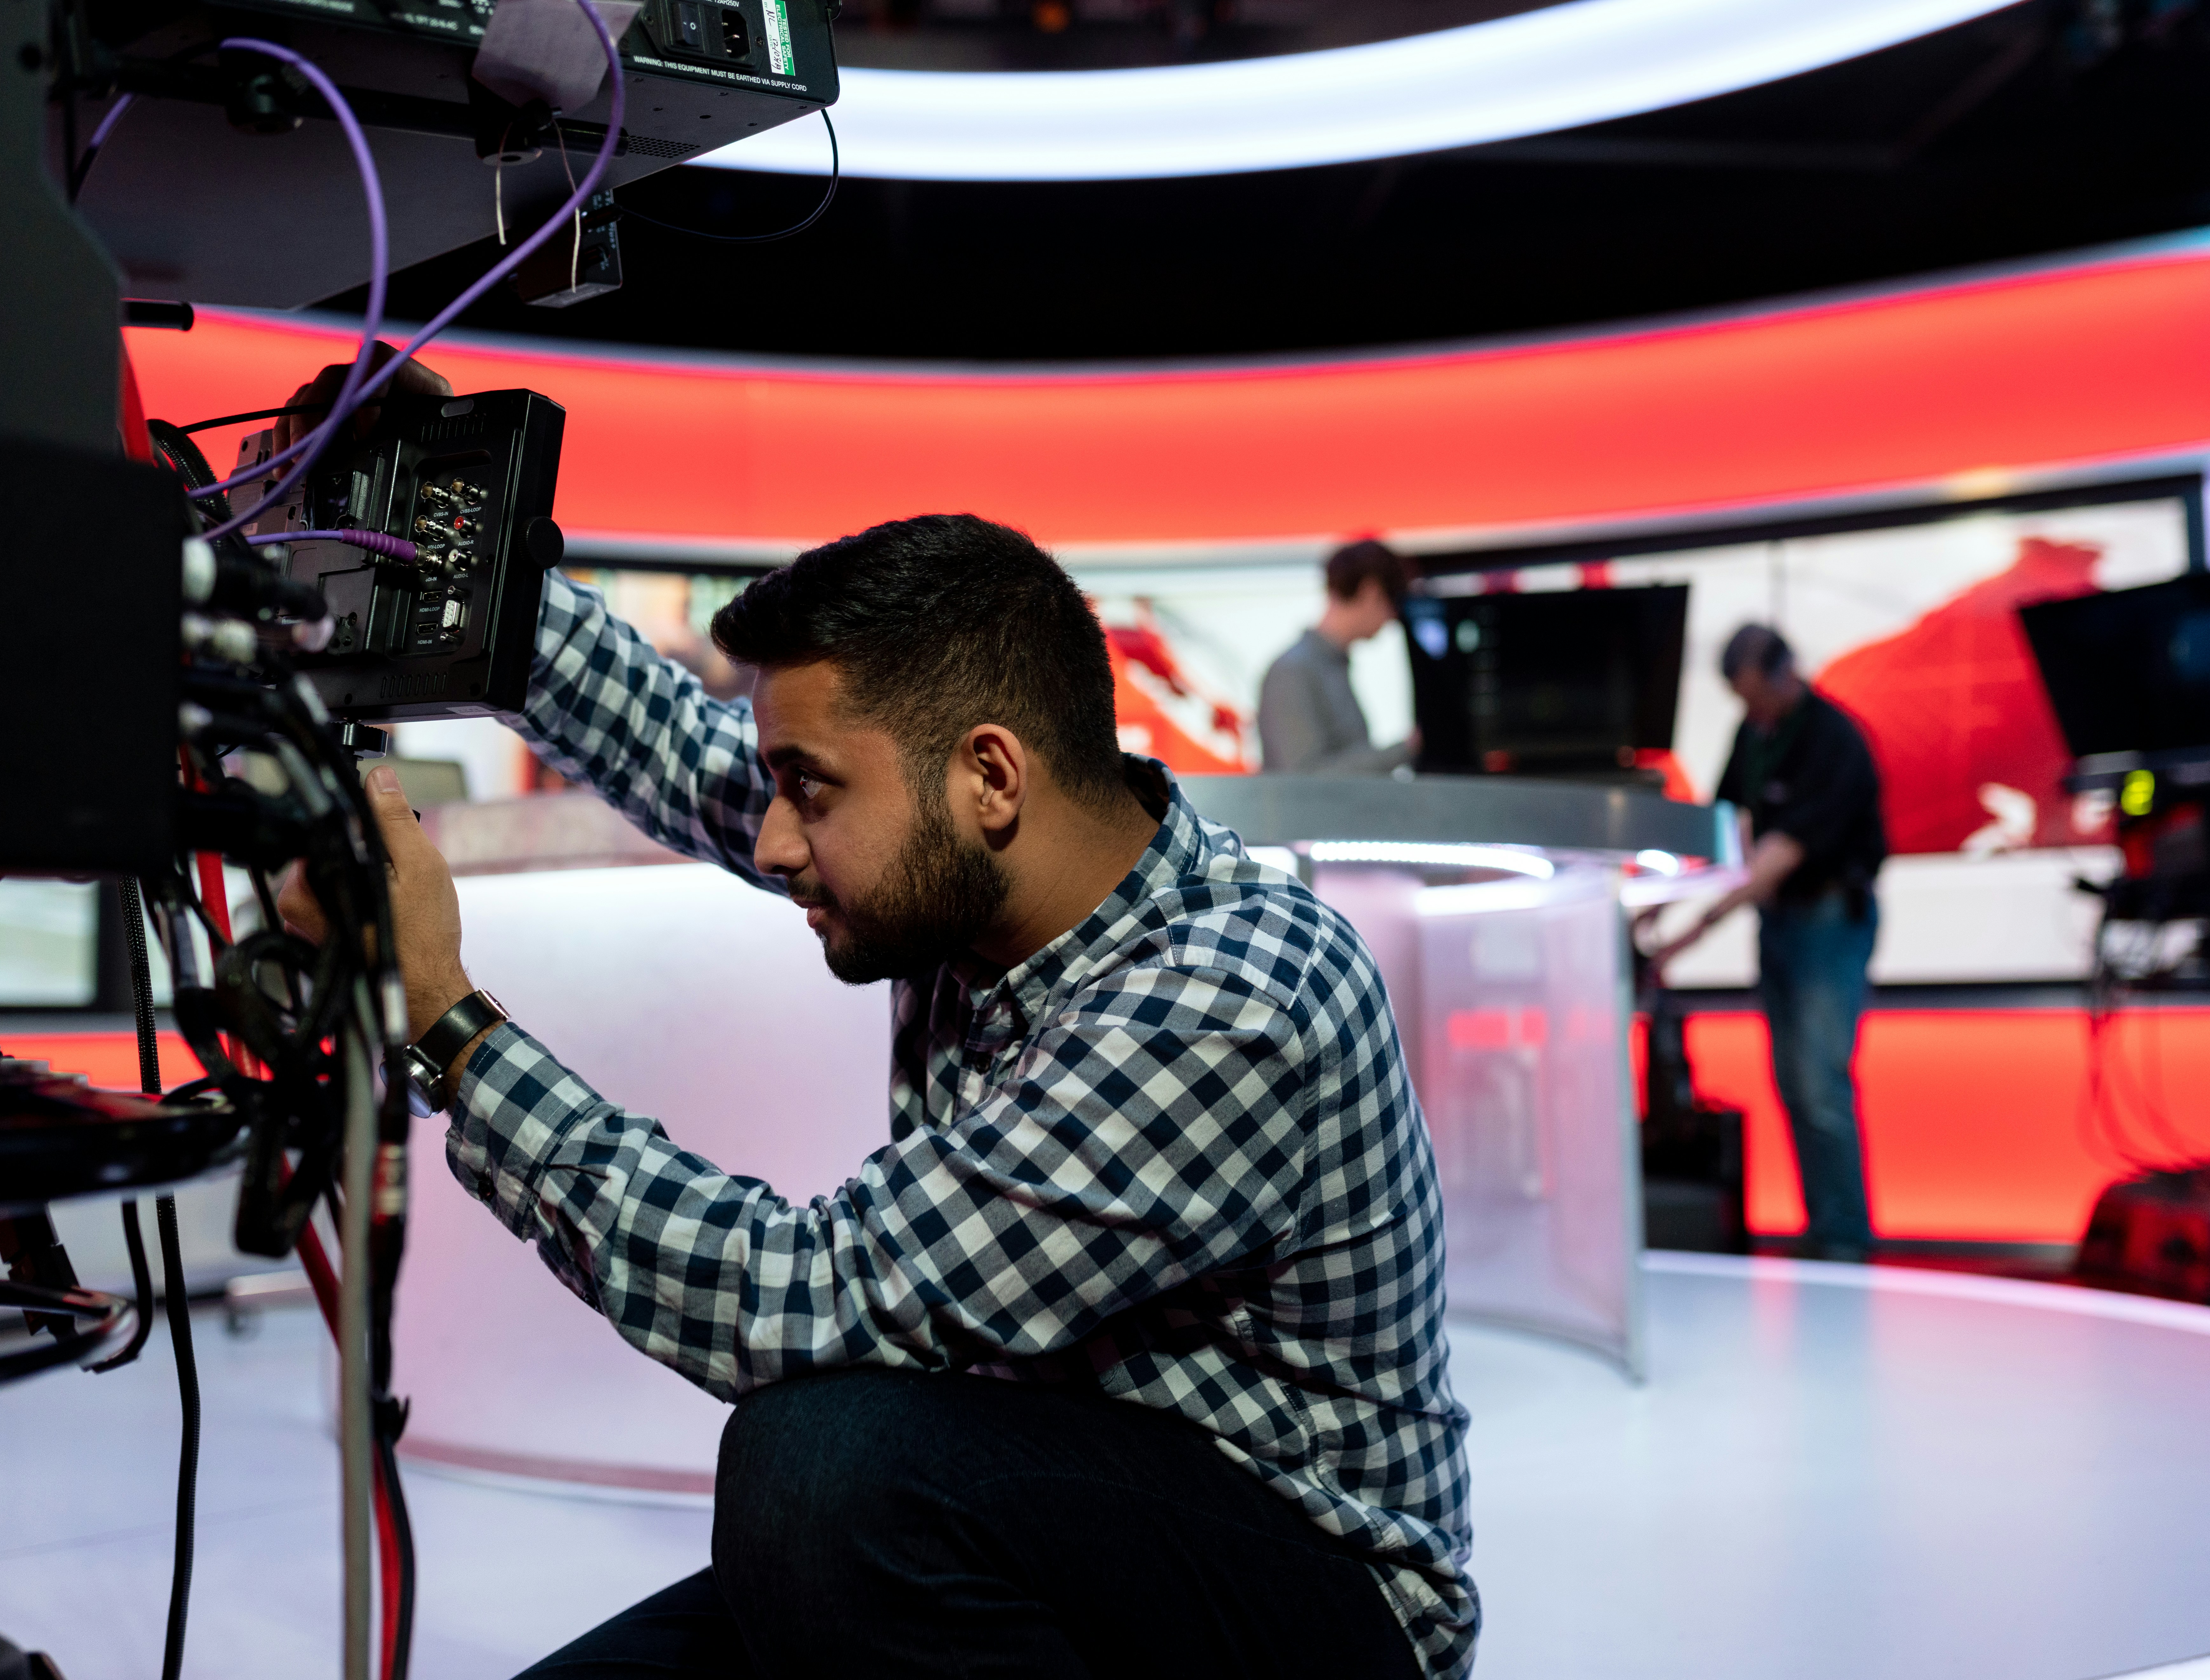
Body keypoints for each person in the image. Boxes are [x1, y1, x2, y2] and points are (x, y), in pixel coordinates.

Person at [278, 360, 1475, 1679]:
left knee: (820, 1468)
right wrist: (458, 542)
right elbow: (682, 754)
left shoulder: (1231, 1000)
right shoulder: (967, 882)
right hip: (1028, 1526)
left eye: (810, 788)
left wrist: (445, 1020)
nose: (773, 835)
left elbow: (797, 1299)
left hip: (1308, 1611)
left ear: (989, 778)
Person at [1654, 624, 1886, 1263]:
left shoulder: (1830, 739)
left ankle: (1844, 1241)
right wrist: (1656, 903)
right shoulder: (1756, 736)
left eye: (1756, 696)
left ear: (1786, 673)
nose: (1749, 712)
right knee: (1792, 1083)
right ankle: (1823, 1230)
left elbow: (1778, 856)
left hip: (1827, 921)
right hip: (1780, 924)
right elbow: (1724, 831)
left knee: (1819, 1086)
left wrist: (1694, 930)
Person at [1257, 538, 1418, 773]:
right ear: (1371, 592)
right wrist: (1407, 749)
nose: (1393, 618)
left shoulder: (1329, 667)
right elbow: (1306, 778)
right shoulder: (1294, 671)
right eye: (1394, 602)